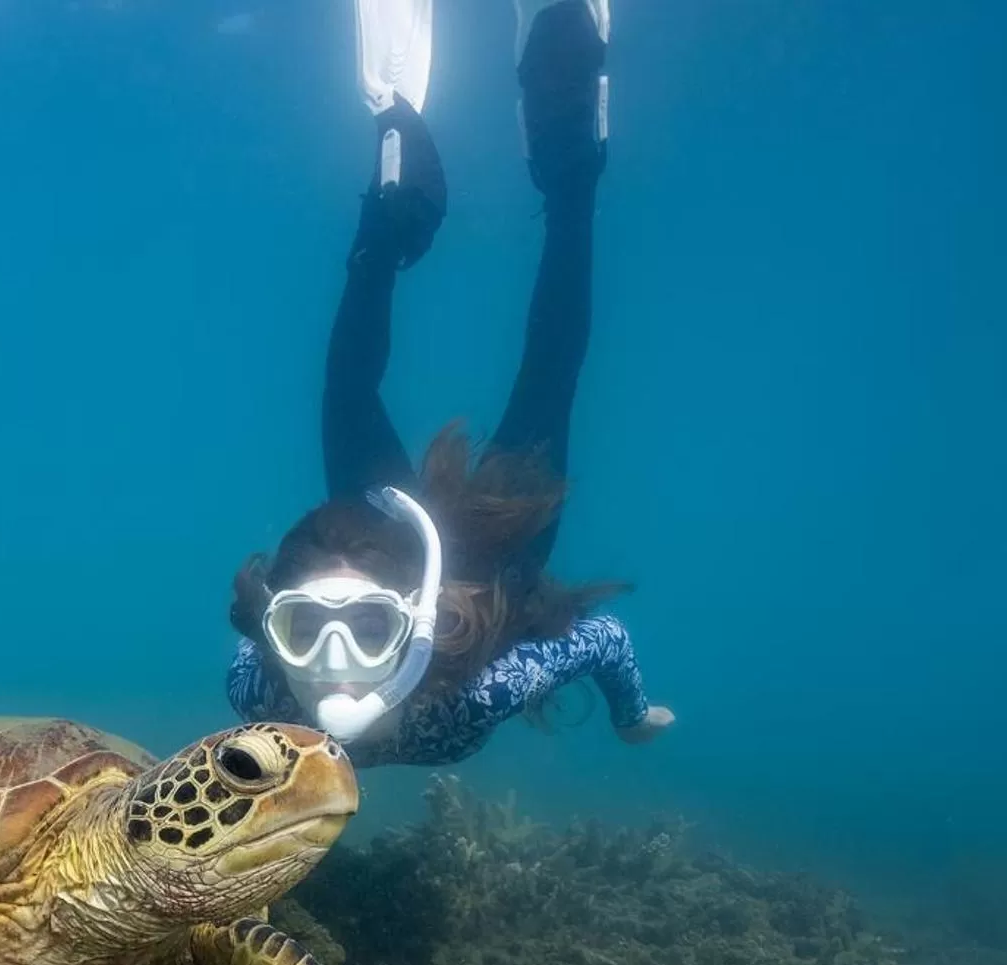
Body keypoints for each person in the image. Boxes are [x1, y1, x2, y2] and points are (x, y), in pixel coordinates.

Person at [227, 0, 673, 766]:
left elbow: (604, 638)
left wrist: (630, 714)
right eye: (302, 629)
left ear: (414, 623)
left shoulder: (266, 693)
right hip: (499, 555)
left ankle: (394, 194)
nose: (333, 663)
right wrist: (629, 713)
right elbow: (601, 639)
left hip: (390, 539)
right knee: (548, 376)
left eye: (367, 627)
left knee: (346, 391)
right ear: (275, 633)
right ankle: (570, 172)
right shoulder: (473, 690)